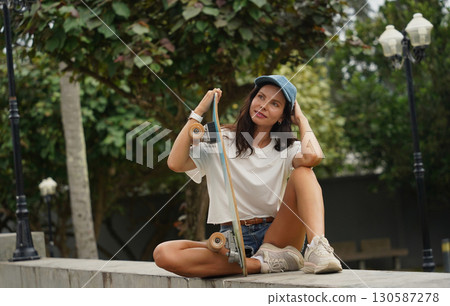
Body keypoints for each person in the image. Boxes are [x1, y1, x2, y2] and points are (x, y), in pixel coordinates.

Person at [153, 75, 342, 277]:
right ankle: (261, 265)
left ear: (282, 116)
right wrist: (198, 112)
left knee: (304, 172)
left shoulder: (286, 145)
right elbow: (175, 163)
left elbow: (312, 157)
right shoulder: (222, 138)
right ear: (251, 100)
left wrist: (302, 119)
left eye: (275, 104)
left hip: (277, 239)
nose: (263, 106)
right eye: (260, 97)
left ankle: (318, 247)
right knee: (164, 253)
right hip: (233, 239)